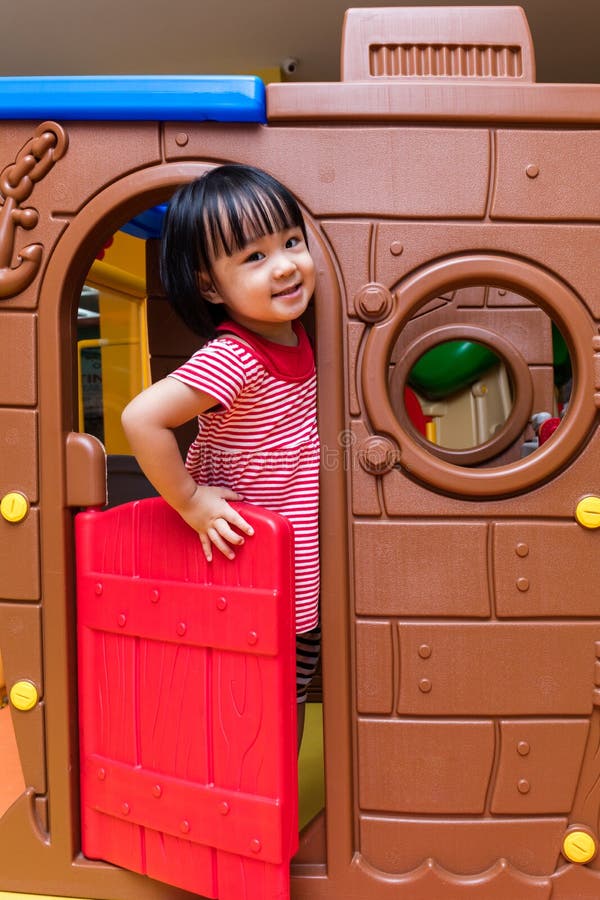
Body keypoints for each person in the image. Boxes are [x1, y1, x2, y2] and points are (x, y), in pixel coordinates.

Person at [121, 164, 320, 747]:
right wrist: (191, 501)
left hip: (291, 562)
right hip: (242, 559)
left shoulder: (302, 331)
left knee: (291, 689)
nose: (284, 264)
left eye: (290, 242)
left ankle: (272, 803)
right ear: (211, 286)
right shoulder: (236, 356)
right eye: (253, 258)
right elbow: (141, 417)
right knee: (247, 695)